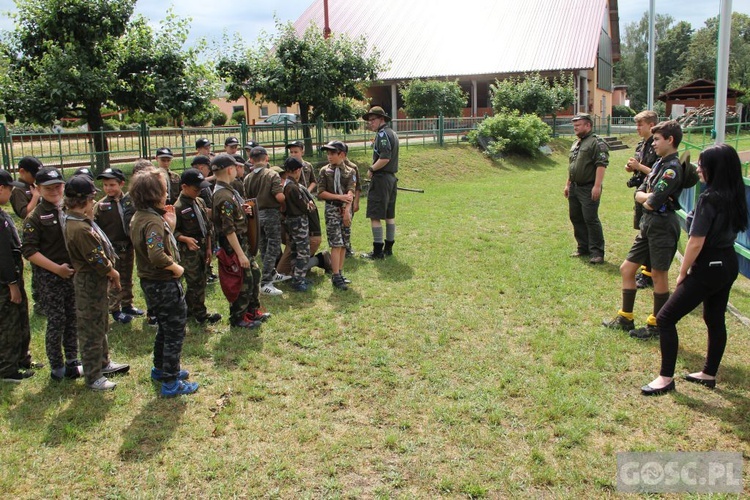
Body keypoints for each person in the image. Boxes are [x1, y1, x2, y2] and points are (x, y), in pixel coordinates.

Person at [641, 144, 748, 395]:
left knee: (665, 318)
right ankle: (708, 374)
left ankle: (665, 378)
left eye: (702, 164)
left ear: (715, 168)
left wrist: (682, 272)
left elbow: (696, 241)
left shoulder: (709, 198)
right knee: (714, 318)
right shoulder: (734, 193)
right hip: (728, 263)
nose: (697, 168)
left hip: (708, 266)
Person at [603, 120, 684, 340]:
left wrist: (647, 197)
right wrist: (645, 196)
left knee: (658, 275)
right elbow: (641, 191)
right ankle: (625, 317)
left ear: (670, 140)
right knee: (627, 268)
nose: (654, 143)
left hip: (662, 226)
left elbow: (652, 201)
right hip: (648, 224)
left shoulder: (672, 168)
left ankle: (658, 324)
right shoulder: (658, 164)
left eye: (657, 139)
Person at [129, 167, 198, 397]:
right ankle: (171, 381)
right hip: (163, 284)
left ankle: (161, 369)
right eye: (165, 188)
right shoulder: (152, 222)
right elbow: (157, 254)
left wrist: (169, 223)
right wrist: (176, 268)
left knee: (165, 328)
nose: (168, 192)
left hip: (150, 283)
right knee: (175, 332)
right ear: (155, 194)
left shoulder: (141, 216)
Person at [63, 176, 130, 391]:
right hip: (89, 281)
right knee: (91, 329)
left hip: (95, 281)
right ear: (85, 201)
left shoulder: (79, 222)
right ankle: (93, 376)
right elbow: (97, 259)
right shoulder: (80, 228)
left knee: (100, 322)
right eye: (92, 199)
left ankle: (103, 362)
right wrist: (114, 273)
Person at [21, 167, 83, 382]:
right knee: (57, 320)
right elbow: (29, 251)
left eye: (58, 186)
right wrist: (57, 269)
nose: (54, 190)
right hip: (51, 276)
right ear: (38, 189)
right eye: (48, 188)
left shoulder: (69, 209)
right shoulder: (35, 217)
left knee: (72, 318)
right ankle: (56, 364)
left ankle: (73, 359)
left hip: (73, 274)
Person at [211, 154, 267, 328]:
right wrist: (240, 254)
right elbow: (228, 229)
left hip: (241, 242)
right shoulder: (224, 197)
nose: (236, 170)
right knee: (243, 280)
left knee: (254, 274)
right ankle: (238, 317)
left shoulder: (228, 191)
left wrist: (241, 211)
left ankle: (251, 311)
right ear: (230, 169)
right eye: (235, 167)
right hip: (233, 245)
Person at [94, 168, 144, 324]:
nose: (108, 188)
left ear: (122, 184)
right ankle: (115, 309)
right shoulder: (101, 206)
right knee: (114, 278)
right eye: (106, 185)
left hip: (128, 245)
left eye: (112, 185)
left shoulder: (131, 201)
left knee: (127, 276)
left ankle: (127, 304)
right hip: (112, 248)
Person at [0, 169, 36, 383]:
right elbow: (3, 255)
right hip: (6, 281)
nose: (12, 193)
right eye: (10, 189)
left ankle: (22, 358)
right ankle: (7, 368)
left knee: (21, 317)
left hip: (13, 276)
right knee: (8, 323)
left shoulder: (2, 214)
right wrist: (11, 283)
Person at [174, 168, 221, 325]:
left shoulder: (199, 202)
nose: (199, 192)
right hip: (188, 252)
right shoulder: (178, 207)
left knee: (201, 279)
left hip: (202, 248)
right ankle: (201, 314)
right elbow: (172, 232)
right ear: (184, 187)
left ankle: (189, 309)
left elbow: (206, 228)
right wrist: (185, 239)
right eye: (196, 189)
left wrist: (208, 248)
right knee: (195, 282)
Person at [564, 113, 609, 264]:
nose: (575, 128)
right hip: (574, 187)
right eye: (574, 125)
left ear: (588, 125)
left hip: (588, 187)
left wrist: (597, 186)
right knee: (575, 217)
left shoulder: (596, 142)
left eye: (578, 125)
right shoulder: (576, 143)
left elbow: (601, 165)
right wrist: (568, 184)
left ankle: (597, 253)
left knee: (590, 219)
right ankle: (583, 247)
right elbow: (572, 166)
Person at [243, 146, 287, 295]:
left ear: (251, 160)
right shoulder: (271, 174)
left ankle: (272, 272)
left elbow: (246, 199)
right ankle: (266, 281)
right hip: (270, 213)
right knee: (273, 246)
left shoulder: (247, 177)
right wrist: (285, 201)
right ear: (267, 158)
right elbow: (279, 196)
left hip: (255, 214)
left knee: (263, 245)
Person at [626, 110, 659, 289]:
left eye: (640, 125)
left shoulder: (657, 145)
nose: (637, 128)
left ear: (651, 126)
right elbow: (641, 166)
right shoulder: (642, 144)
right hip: (641, 191)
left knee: (648, 235)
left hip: (652, 195)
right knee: (643, 230)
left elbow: (658, 173)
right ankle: (646, 270)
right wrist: (632, 168)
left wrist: (639, 166)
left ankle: (648, 273)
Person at [362, 106, 399, 259]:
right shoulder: (392, 133)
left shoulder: (382, 134)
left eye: (373, 120)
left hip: (382, 178)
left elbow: (385, 157)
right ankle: (388, 248)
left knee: (375, 215)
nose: (370, 123)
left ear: (381, 119)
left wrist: (371, 169)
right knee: (389, 214)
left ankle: (377, 252)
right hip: (391, 178)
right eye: (369, 120)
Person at [318, 140, 356, 290]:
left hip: (345, 210)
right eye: (328, 153)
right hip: (332, 209)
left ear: (342, 154)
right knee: (336, 243)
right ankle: (335, 275)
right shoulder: (324, 171)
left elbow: (351, 191)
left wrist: (347, 211)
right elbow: (321, 193)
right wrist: (339, 198)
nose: (329, 156)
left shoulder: (350, 171)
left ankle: (340, 272)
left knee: (344, 242)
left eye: (333, 153)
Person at [10, 156, 44, 316]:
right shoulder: (17, 190)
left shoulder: (32, 185)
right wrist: (36, 196)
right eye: (34, 174)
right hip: (32, 233)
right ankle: (40, 302)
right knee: (38, 269)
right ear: (22, 172)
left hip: (44, 230)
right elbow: (25, 213)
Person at [281, 157, 312, 292]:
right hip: (298, 221)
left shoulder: (286, 185)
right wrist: (309, 205)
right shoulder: (293, 187)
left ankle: (295, 276)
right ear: (298, 170)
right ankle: (299, 280)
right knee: (303, 252)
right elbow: (304, 206)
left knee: (294, 250)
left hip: (290, 221)